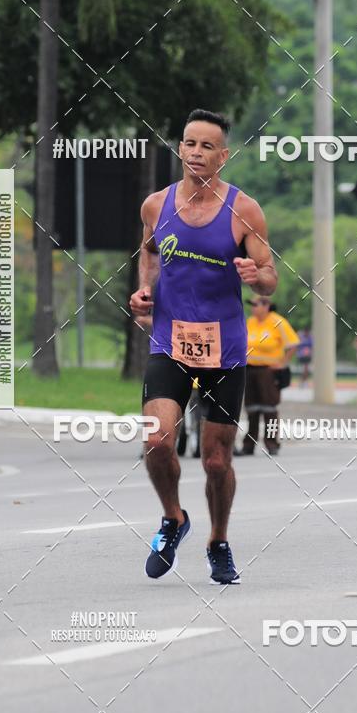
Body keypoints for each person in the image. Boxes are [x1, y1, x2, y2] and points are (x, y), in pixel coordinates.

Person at [129, 109, 277, 584]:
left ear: (223, 156)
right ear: (181, 148)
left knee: (216, 460)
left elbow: (269, 278)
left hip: (224, 349)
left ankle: (218, 540)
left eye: (207, 146)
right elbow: (149, 252)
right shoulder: (157, 205)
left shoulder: (244, 211)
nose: (196, 153)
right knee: (156, 441)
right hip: (169, 341)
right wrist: (144, 292)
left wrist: (259, 280)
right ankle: (173, 518)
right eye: (190, 143)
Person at [238, 297, 299, 456]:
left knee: (269, 409)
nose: (253, 308)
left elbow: (293, 344)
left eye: (256, 305)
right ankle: (248, 445)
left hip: (268, 372)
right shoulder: (250, 322)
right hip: (249, 370)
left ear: (267, 306)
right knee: (251, 409)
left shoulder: (278, 322)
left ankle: (272, 443)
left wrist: (283, 363)